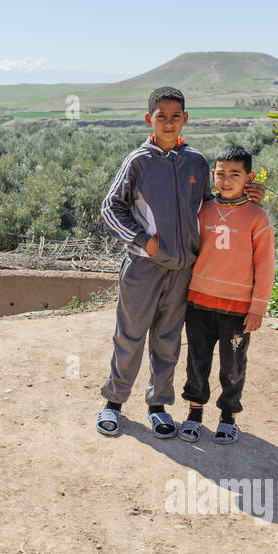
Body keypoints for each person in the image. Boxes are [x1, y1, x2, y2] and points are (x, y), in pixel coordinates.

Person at [95, 86, 263, 438]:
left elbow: (212, 204)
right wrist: (143, 242)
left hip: (183, 272)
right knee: (130, 336)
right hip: (143, 268)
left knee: (168, 340)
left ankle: (158, 406)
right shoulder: (138, 162)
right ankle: (114, 403)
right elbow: (111, 208)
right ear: (149, 120)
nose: (168, 123)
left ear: (185, 119)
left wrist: (249, 194)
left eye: (175, 116)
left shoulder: (196, 162)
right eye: (161, 117)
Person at [178, 144, 275, 445]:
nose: (227, 180)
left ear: (250, 178)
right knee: (197, 360)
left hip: (237, 308)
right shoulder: (203, 210)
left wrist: (257, 308)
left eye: (235, 174)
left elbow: (266, 266)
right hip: (199, 301)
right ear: (213, 176)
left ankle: (228, 416)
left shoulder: (257, 218)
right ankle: (194, 413)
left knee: (232, 365)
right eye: (221, 174)